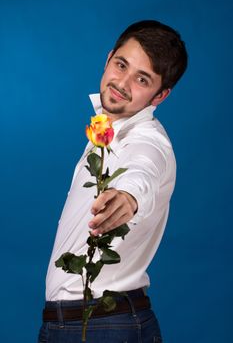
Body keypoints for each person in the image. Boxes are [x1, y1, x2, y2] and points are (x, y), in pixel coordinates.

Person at [38, 20, 188, 342]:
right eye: (121, 65)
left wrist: (128, 197)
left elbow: (143, 171)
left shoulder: (149, 140)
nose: (123, 82)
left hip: (102, 325)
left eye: (142, 79)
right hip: (85, 324)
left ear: (160, 95)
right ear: (108, 59)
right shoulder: (108, 132)